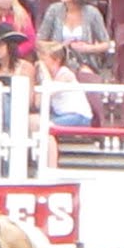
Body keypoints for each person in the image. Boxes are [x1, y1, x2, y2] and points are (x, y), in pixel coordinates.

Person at [33, 40, 96, 168]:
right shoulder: (49, 78)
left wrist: (44, 71)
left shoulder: (65, 74)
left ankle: (51, 168)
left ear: (55, 60)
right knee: (33, 123)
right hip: (61, 116)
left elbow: (49, 89)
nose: (41, 63)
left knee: (46, 127)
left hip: (79, 117)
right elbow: (38, 104)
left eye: (44, 59)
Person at [36, 0, 110, 75]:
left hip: (85, 63)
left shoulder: (92, 13)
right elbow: (40, 41)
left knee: (86, 74)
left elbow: (106, 44)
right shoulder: (54, 10)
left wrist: (87, 48)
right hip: (57, 64)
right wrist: (60, 46)